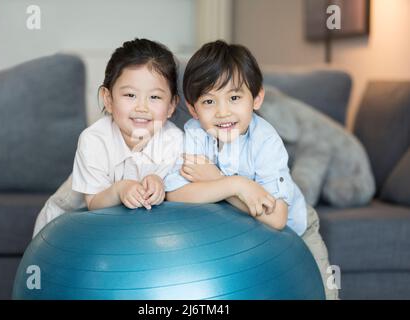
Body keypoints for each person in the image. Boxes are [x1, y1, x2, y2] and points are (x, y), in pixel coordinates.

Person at [164, 40, 338, 300]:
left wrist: (219, 180)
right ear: (192, 109)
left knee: (324, 292)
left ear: (256, 98)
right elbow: (176, 193)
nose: (223, 112)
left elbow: (277, 218)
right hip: (243, 231)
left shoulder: (265, 141)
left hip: (295, 229)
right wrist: (237, 186)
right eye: (209, 101)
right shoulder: (194, 133)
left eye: (234, 98)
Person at [32, 38, 183, 237]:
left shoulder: (175, 141)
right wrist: (120, 189)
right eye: (130, 95)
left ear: (171, 105)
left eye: (154, 97)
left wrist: (160, 183)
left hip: (124, 232)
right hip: (68, 224)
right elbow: (94, 204)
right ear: (108, 99)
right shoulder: (94, 140)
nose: (142, 107)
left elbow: (179, 192)